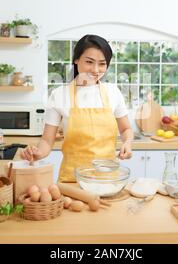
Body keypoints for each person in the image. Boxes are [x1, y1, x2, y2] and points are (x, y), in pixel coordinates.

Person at [20, 34, 134, 182]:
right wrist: (38, 153)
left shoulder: (113, 92)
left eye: (102, 64)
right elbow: (47, 141)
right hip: (72, 180)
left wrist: (127, 142)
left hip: (107, 180)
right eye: (89, 62)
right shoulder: (59, 95)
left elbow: (126, 129)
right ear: (76, 60)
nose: (95, 70)